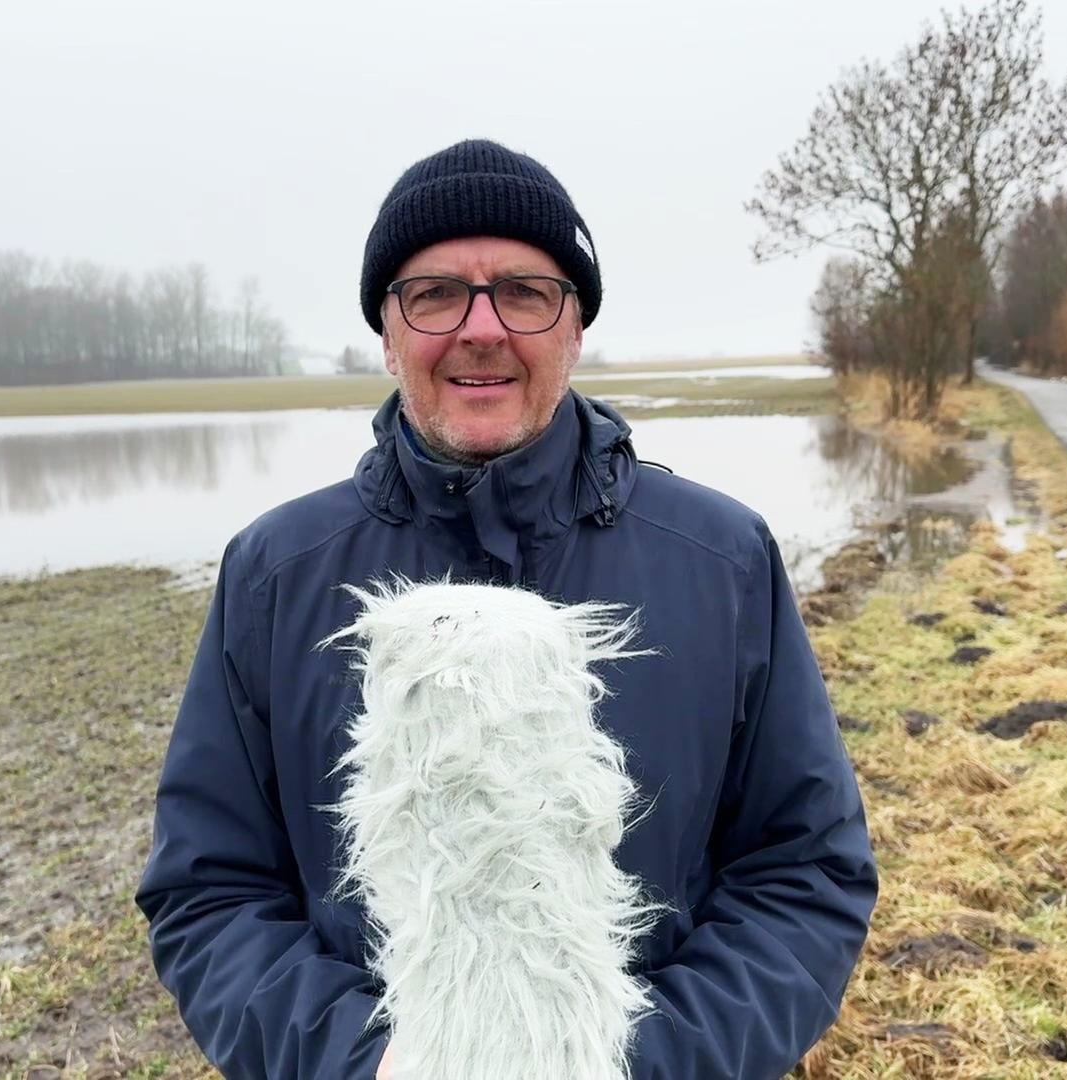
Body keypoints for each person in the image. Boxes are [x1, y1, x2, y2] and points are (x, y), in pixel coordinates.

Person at [136, 138, 877, 1080]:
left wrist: (644, 1063)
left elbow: (804, 869)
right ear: (387, 330)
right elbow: (210, 891)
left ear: (575, 327)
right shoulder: (276, 574)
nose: (481, 328)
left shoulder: (724, 560)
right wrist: (362, 1065)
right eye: (436, 293)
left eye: (525, 292)